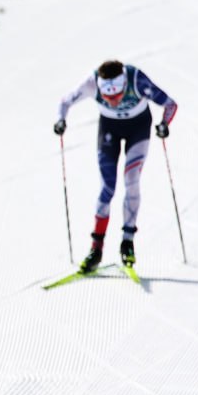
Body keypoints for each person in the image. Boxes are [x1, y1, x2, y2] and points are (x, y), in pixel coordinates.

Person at [53, 59, 177, 273]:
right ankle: (96, 249)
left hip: (138, 128)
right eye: (107, 97)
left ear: (124, 86)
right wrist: (60, 120)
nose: (113, 101)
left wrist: (165, 124)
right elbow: (65, 101)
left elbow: (170, 104)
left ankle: (127, 243)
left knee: (131, 181)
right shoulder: (92, 83)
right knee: (107, 188)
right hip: (109, 129)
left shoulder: (136, 80)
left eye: (117, 96)